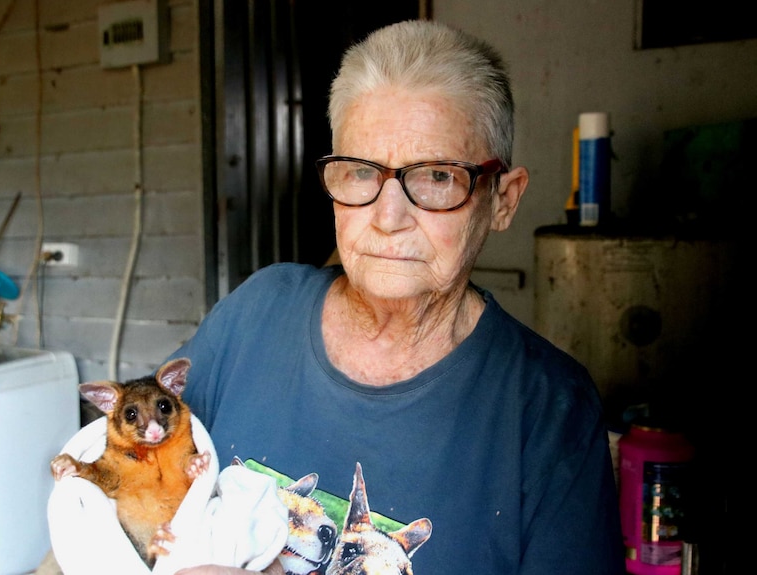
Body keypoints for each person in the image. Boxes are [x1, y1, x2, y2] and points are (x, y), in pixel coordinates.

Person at [169, 19, 623, 575]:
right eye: (361, 172)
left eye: (436, 176)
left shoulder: (548, 408)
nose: (388, 218)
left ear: (504, 200)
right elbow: (118, 491)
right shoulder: (257, 314)